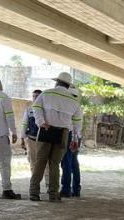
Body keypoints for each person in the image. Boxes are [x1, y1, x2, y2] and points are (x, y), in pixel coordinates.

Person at [28, 72, 83, 202]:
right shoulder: (74, 101)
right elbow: (77, 122)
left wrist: (41, 122)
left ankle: (34, 193)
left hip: (45, 130)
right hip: (62, 133)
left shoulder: (46, 93)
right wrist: (75, 138)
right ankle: (53, 195)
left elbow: (35, 107)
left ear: (57, 82)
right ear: (68, 85)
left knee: (40, 162)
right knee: (55, 164)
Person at [60, 86, 82, 198]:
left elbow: (73, 126)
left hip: (70, 137)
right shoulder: (78, 106)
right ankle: (76, 189)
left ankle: (66, 189)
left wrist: (73, 139)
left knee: (66, 163)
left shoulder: (69, 105)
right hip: (77, 137)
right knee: (74, 163)